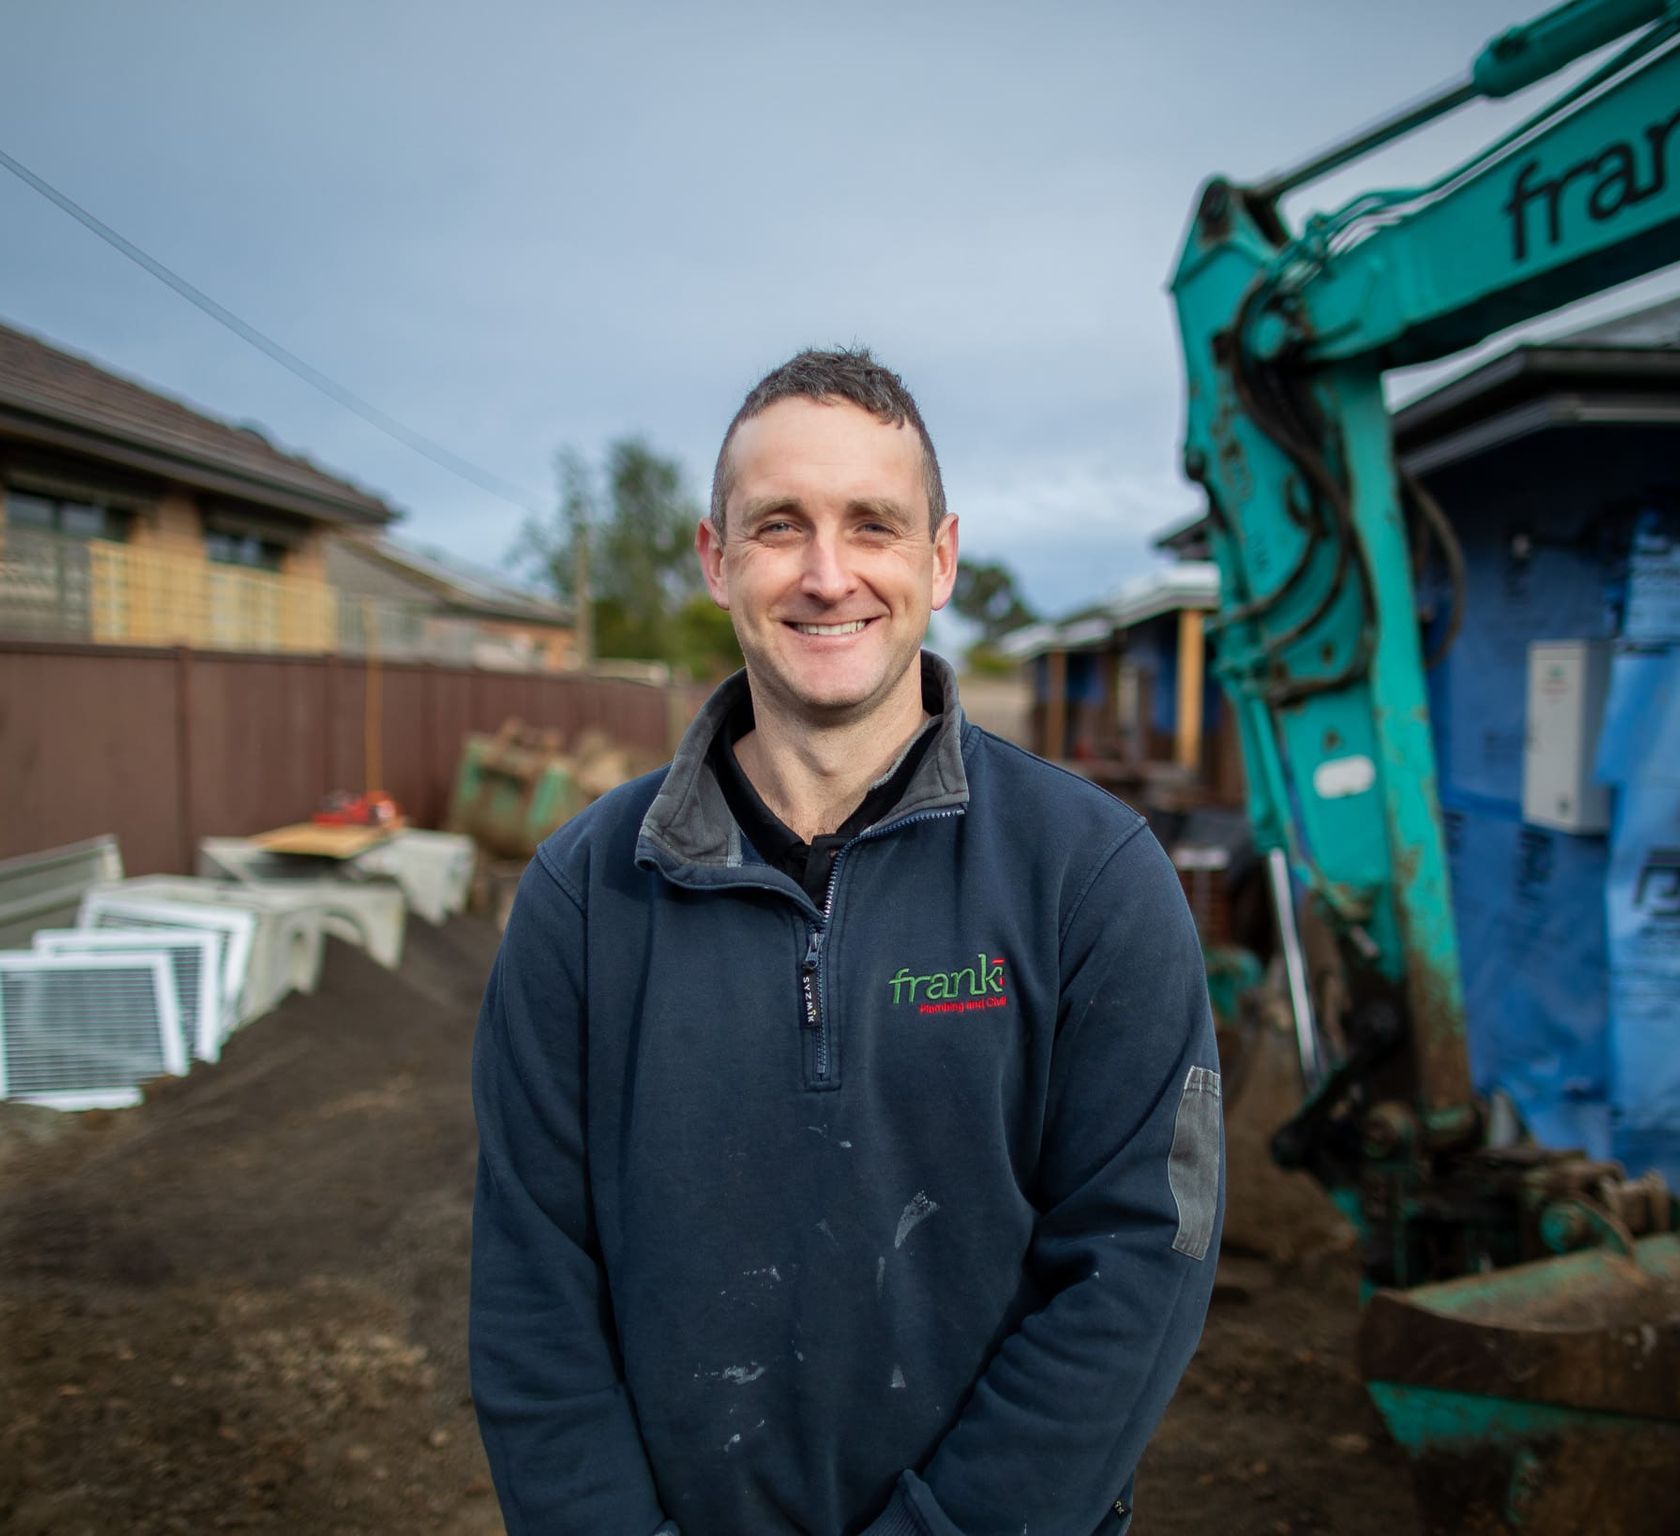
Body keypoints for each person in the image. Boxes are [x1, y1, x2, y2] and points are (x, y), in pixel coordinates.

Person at [470, 347, 1222, 1536]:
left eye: (873, 525)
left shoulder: (1091, 878)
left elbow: (1138, 1266)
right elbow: (532, 1294)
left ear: (940, 558)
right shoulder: (581, 898)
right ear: (716, 560)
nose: (828, 576)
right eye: (780, 526)